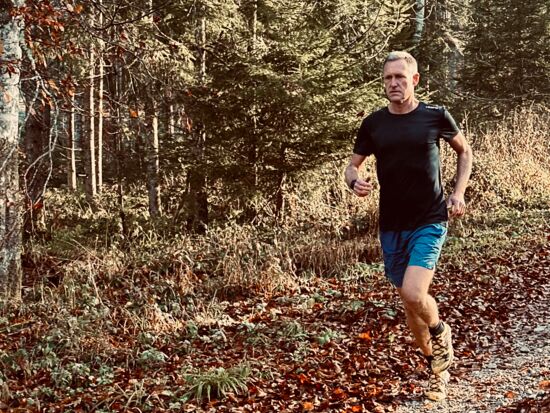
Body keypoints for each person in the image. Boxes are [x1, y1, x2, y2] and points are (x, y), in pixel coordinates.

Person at [345, 51, 473, 401]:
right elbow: (352, 166)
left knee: (415, 293)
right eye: (388, 78)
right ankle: (437, 371)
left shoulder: (435, 115)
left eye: (400, 77)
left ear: (414, 80)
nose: (393, 84)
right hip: (391, 225)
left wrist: (458, 193)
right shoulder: (374, 124)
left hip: (430, 218)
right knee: (409, 303)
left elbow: (464, 151)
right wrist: (353, 181)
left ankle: (440, 330)